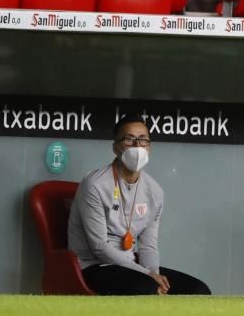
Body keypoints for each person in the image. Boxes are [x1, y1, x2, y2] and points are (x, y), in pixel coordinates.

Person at [68, 114, 211, 296]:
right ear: (115, 147)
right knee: (146, 287)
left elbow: (148, 246)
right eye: (129, 139)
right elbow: (99, 246)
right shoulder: (94, 184)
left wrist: (156, 276)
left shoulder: (155, 191)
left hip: (133, 267)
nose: (137, 146)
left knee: (198, 290)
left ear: (149, 147)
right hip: (95, 266)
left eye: (143, 140)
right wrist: (148, 275)